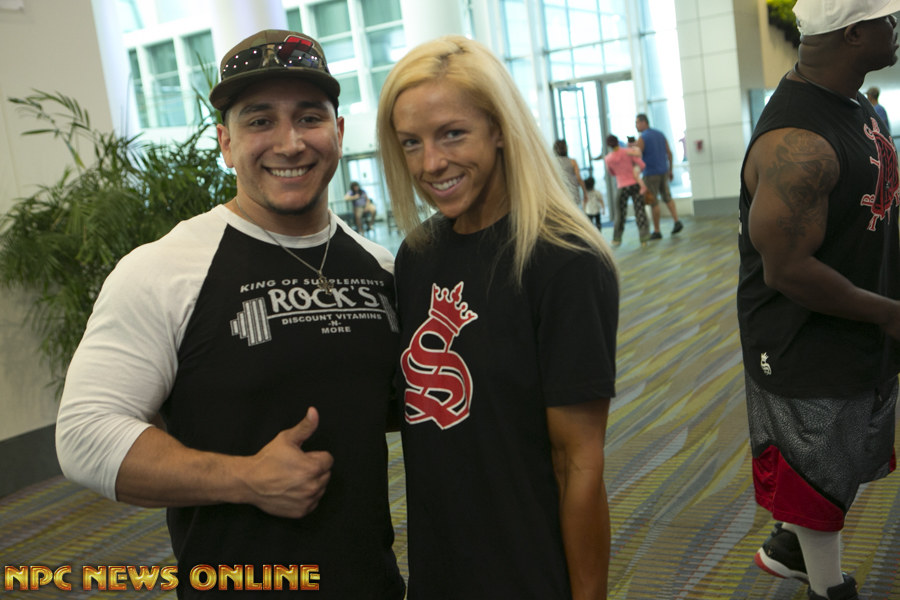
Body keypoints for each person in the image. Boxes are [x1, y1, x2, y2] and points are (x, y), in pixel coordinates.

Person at [55, 29, 405, 599]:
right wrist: (245, 479)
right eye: (260, 120)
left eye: (309, 117)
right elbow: (85, 435)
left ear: (338, 133)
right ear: (226, 142)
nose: (290, 143)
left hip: (374, 584)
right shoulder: (165, 269)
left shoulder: (381, 267)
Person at [376, 35, 619, 600]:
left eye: (452, 134)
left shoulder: (563, 261)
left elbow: (578, 464)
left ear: (500, 129)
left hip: (527, 571)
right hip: (438, 568)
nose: (431, 163)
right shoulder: (418, 256)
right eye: (411, 142)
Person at [737, 1, 900, 599]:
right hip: (802, 337)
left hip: (859, 320)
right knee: (814, 468)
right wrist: (891, 314)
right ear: (855, 32)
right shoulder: (798, 141)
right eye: (889, 20)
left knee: (846, 452)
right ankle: (828, 589)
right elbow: (788, 270)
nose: (897, 29)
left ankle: (790, 545)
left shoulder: (857, 106)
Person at [635, 114, 683, 239]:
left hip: (650, 173)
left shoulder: (642, 138)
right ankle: (676, 220)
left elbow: (636, 156)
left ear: (644, 122)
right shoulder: (660, 134)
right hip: (663, 171)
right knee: (667, 197)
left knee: (653, 201)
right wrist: (670, 170)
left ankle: (657, 231)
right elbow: (669, 153)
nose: (636, 126)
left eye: (637, 123)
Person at [602, 134, 651, 246]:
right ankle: (644, 239)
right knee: (640, 211)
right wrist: (636, 171)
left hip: (622, 186)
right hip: (634, 184)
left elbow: (611, 173)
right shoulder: (627, 152)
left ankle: (617, 239)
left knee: (620, 213)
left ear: (608, 145)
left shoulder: (608, 158)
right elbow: (642, 164)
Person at [553, 139, 588, 206]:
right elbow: (579, 178)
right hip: (573, 192)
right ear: (566, 148)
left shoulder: (553, 162)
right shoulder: (573, 161)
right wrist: (585, 193)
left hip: (560, 192)